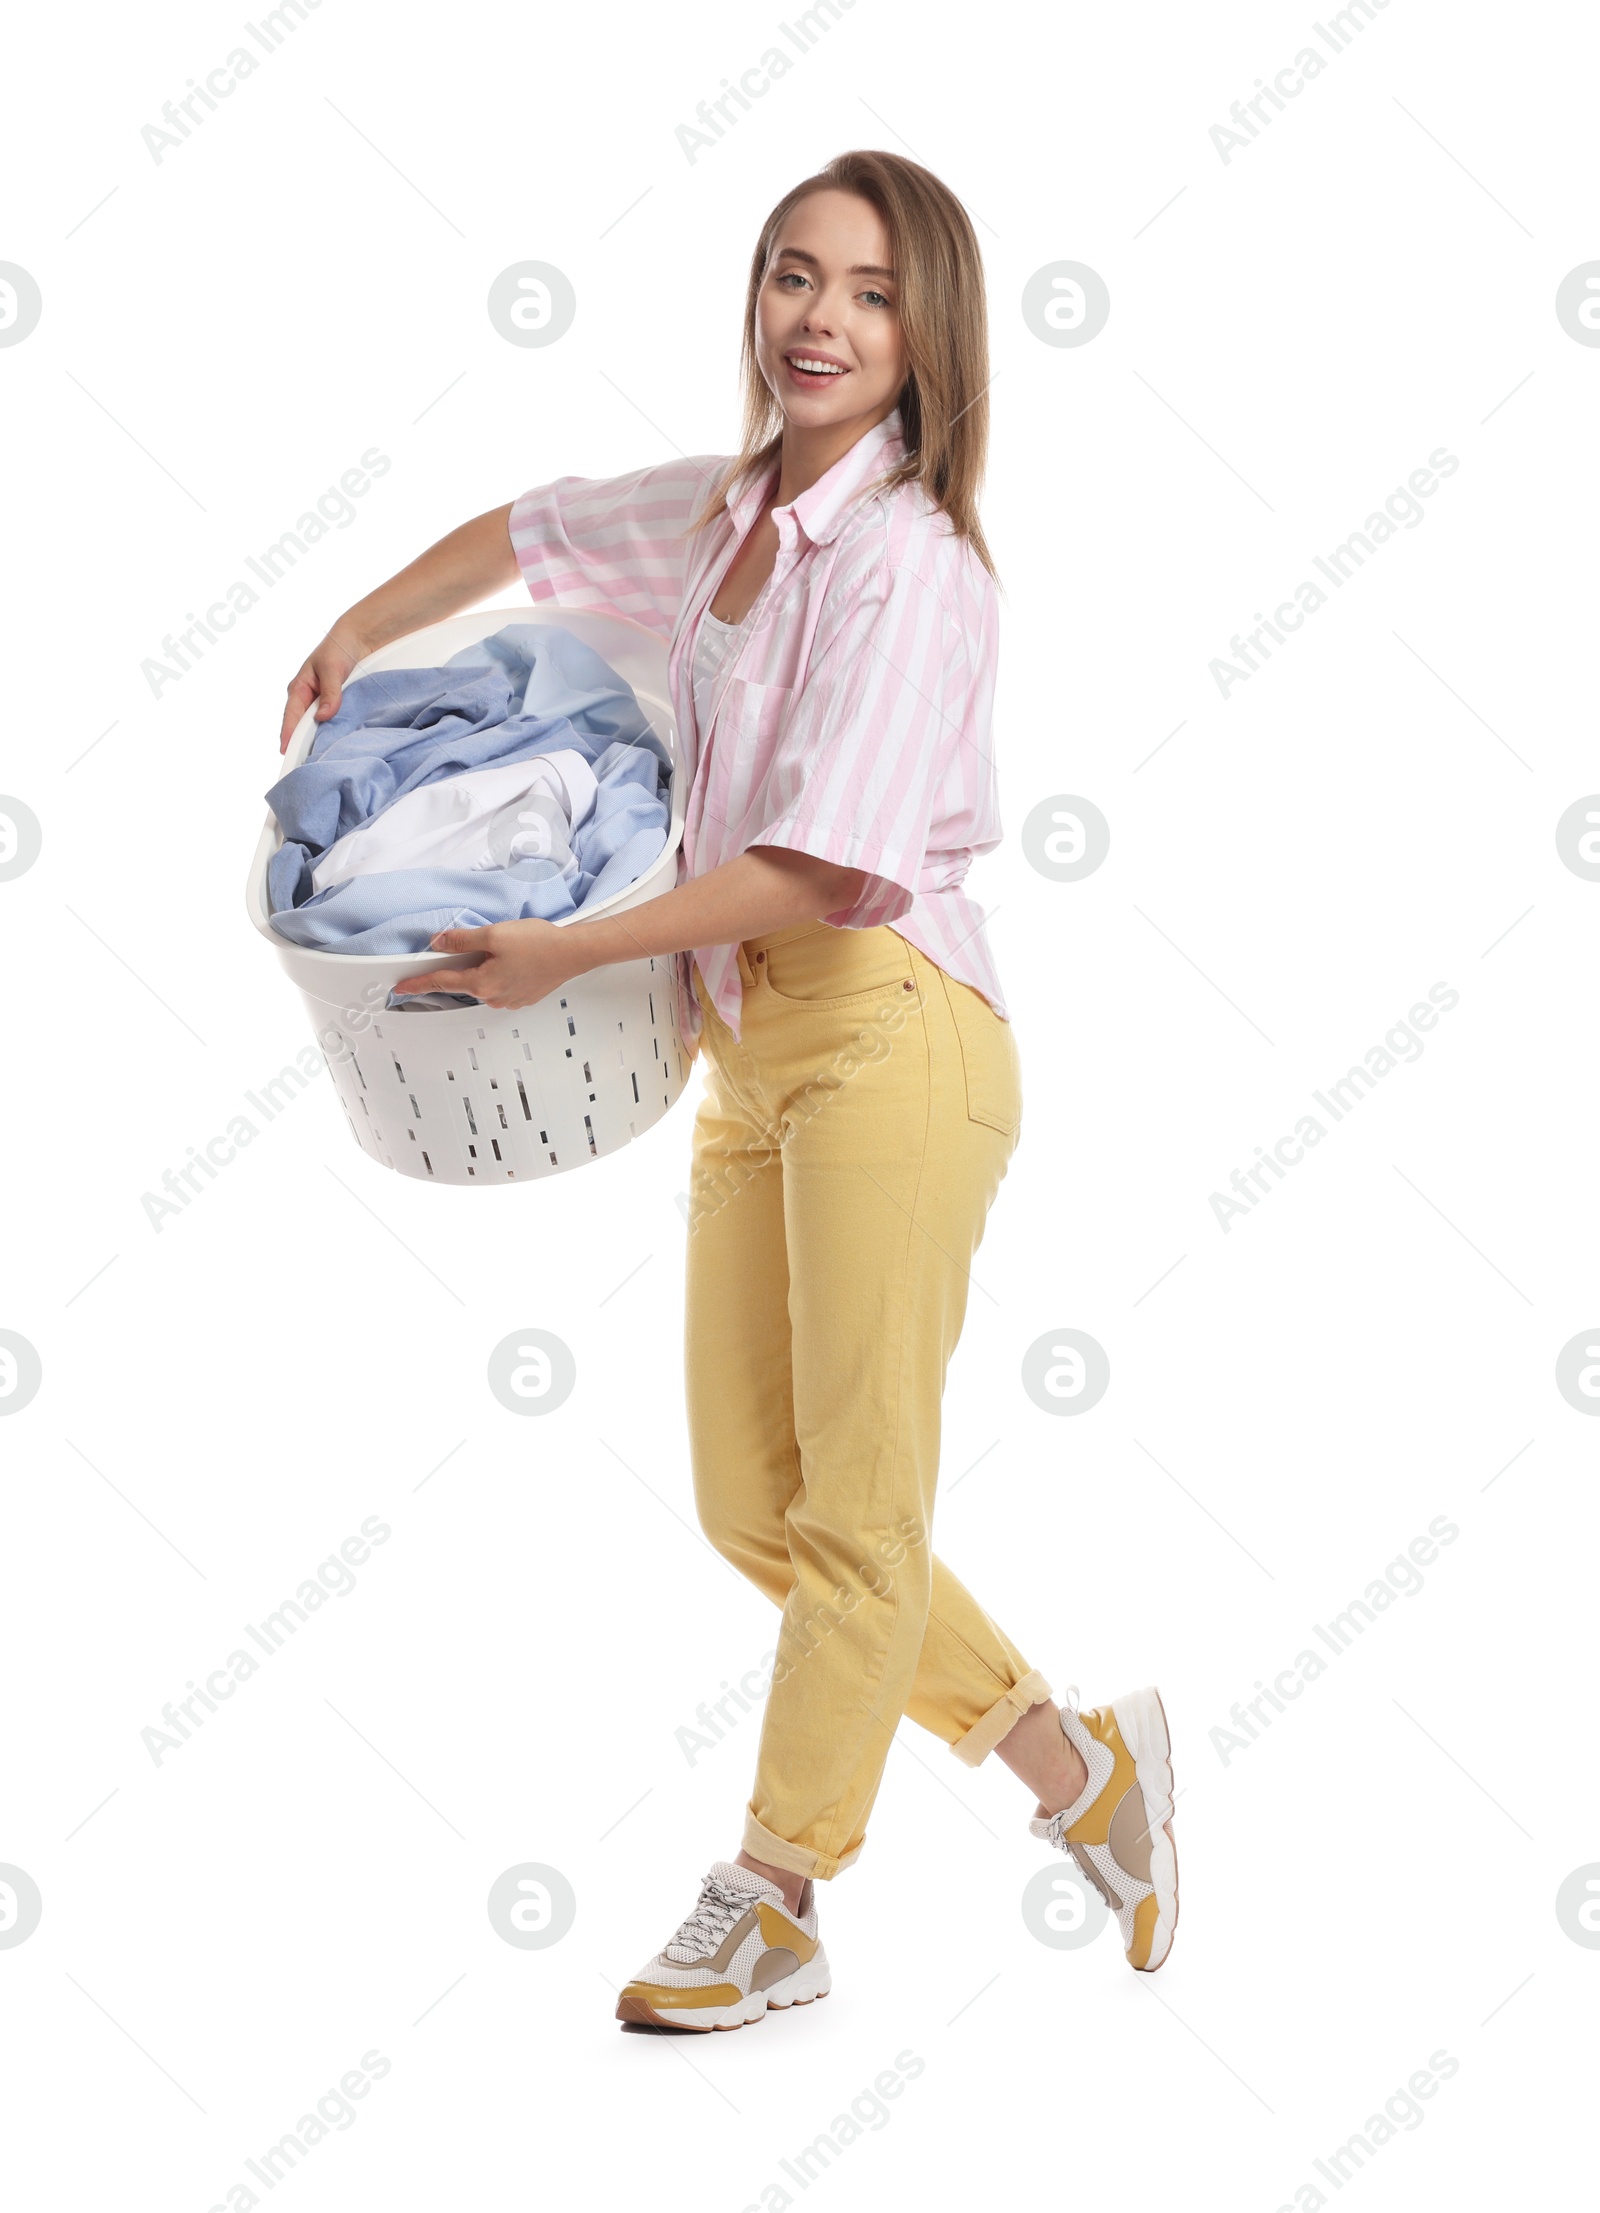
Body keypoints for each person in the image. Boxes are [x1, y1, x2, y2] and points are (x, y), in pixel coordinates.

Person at [280, 150, 1177, 2032]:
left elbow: (822, 867)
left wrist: (570, 951)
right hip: (755, 1047)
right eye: (792, 276)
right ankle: (1083, 1775)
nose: (819, 319)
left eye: (864, 290)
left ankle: (776, 1895)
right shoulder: (721, 516)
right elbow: (528, 529)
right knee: (750, 1502)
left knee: (855, 1508)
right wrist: (362, 626)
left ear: (929, 337)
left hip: (891, 1024)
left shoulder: (915, 571)